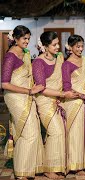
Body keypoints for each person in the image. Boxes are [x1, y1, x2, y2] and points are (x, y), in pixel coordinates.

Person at [1, 25, 44, 179]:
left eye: (28, 38)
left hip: (27, 95)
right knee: (29, 132)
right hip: (15, 97)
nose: (27, 41)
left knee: (31, 131)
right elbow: (4, 83)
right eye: (24, 38)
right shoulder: (10, 56)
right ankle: (21, 173)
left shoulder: (25, 54)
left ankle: (29, 168)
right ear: (16, 39)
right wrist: (29, 91)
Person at [33, 31, 77, 179]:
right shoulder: (38, 62)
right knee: (56, 132)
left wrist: (62, 94)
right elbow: (41, 88)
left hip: (57, 100)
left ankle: (57, 166)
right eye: (54, 45)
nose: (58, 47)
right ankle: (48, 169)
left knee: (61, 132)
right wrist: (63, 94)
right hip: (44, 101)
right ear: (45, 46)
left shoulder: (59, 58)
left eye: (58, 43)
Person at [62, 35, 85, 175]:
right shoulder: (66, 64)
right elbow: (67, 88)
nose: (80, 49)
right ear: (70, 48)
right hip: (74, 102)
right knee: (75, 134)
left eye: (82, 46)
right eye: (77, 46)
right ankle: (75, 165)